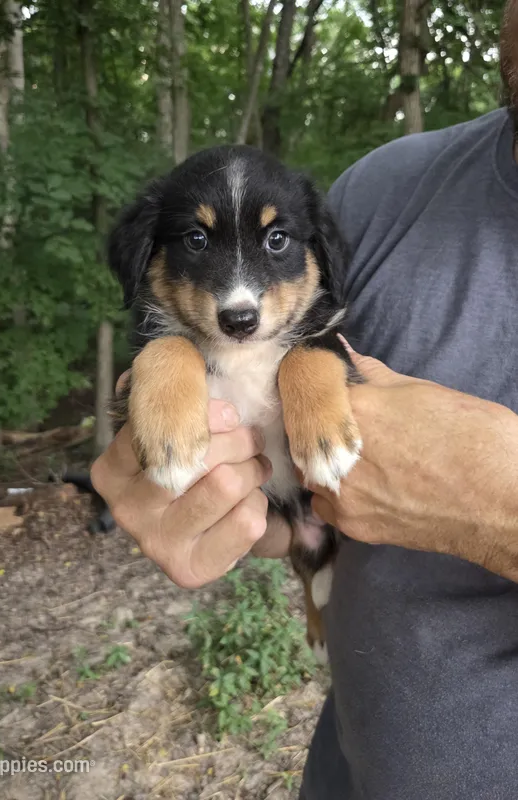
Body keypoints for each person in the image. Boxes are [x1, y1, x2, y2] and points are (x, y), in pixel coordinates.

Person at [92, 4, 518, 797]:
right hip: (349, 767)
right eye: (196, 244)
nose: (241, 291)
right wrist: (201, 486)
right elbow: (324, 346)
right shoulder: (384, 194)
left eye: (274, 245)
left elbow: (315, 354)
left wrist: (499, 503)